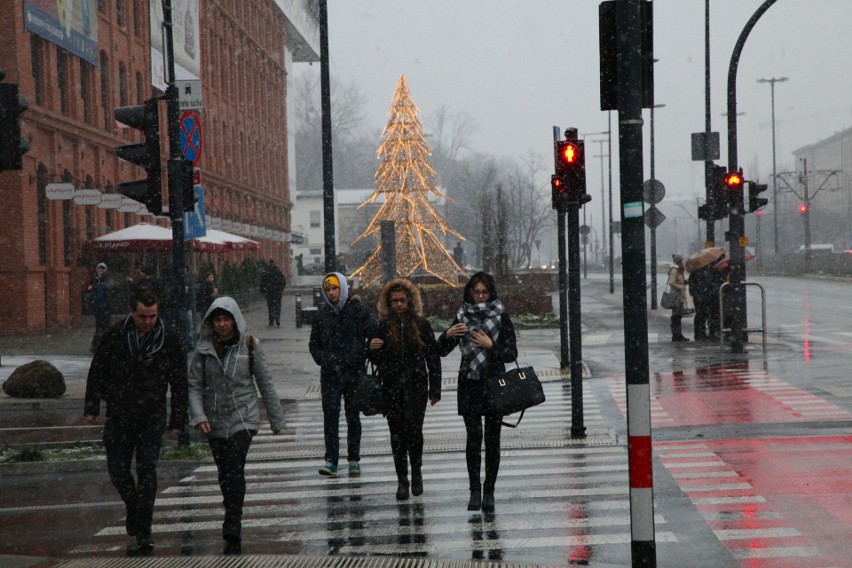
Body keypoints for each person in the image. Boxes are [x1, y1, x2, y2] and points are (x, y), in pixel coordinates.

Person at [83, 288, 187, 557]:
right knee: (117, 470)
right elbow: (97, 370)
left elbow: (179, 384)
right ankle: (132, 504)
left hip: (151, 415)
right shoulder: (116, 336)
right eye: (142, 316)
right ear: (132, 312)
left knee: (147, 472)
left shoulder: (168, 339)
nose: (148, 321)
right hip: (119, 414)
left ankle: (144, 532)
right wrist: (92, 406)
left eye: (152, 316)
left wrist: (177, 420)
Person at [188, 297, 285, 555]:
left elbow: (265, 383)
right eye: (217, 320)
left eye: (226, 319)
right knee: (224, 472)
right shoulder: (203, 348)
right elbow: (195, 385)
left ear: (235, 320)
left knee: (234, 467)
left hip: (244, 417)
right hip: (214, 418)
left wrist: (276, 419)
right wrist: (198, 416)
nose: (222, 325)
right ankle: (230, 506)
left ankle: (233, 521)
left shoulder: (250, 345)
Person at [437, 272, 517, 512]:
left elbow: (511, 354)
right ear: (469, 293)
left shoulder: (501, 316)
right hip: (469, 383)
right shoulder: (462, 316)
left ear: (491, 292)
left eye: (485, 292)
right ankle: (474, 490)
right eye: (476, 292)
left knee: (493, 440)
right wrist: (447, 335)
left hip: (494, 383)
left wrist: (491, 346)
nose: (481, 296)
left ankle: (489, 490)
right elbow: (441, 350)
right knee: (474, 438)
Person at [367, 279, 441, 500]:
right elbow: (376, 359)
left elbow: (433, 358)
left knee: (415, 433)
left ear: (409, 301)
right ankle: (402, 480)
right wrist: (371, 349)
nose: (399, 304)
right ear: (389, 303)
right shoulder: (383, 326)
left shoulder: (421, 324)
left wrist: (435, 389)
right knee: (397, 436)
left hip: (416, 386)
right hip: (391, 388)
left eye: (402, 300)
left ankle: (416, 472)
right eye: (395, 301)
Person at [309, 272, 377, 477]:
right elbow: (314, 345)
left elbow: (374, 332)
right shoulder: (321, 316)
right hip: (330, 375)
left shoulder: (357, 311)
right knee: (330, 416)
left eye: (335, 288)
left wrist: (364, 351)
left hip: (353, 373)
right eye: (328, 289)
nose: (331, 293)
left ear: (343, 288)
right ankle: (331, 460)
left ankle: (354, 459)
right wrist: (325, 359)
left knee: (352, 417)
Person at [87, 262, 114, 354]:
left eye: (102, 270)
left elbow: (107, 289)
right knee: (100, 327)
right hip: (98, 307)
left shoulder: (106, 281)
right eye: (99, 270)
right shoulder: (95, 280)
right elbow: (93, 293)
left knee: (103, 327)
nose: (100, 272)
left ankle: (97, 345)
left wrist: (94, 287)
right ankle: (98, 346)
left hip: (104, 308)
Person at [667, 254, 690, 342]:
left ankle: (678, 334)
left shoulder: (679, 271)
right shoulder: (674, 271)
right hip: (676, 296)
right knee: (676, 316)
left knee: (678, 315)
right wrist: (680, 287)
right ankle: (676, 335)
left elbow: (678, 281)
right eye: (682, 261)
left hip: (679, 296)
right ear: (678, 262)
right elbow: (671, 283)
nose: (683, 262)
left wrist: (684, 282)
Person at [259, 259, 286, 326]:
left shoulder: (266, 272)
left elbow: (263, 282)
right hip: (276, 292)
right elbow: (283, 281)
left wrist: (263, 290)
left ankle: (271, 320)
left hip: (269, 292)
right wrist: (280, 289)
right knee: (277, 305)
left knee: (270, 306)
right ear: (274, 263)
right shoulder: (277, 271)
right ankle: (277, 316)